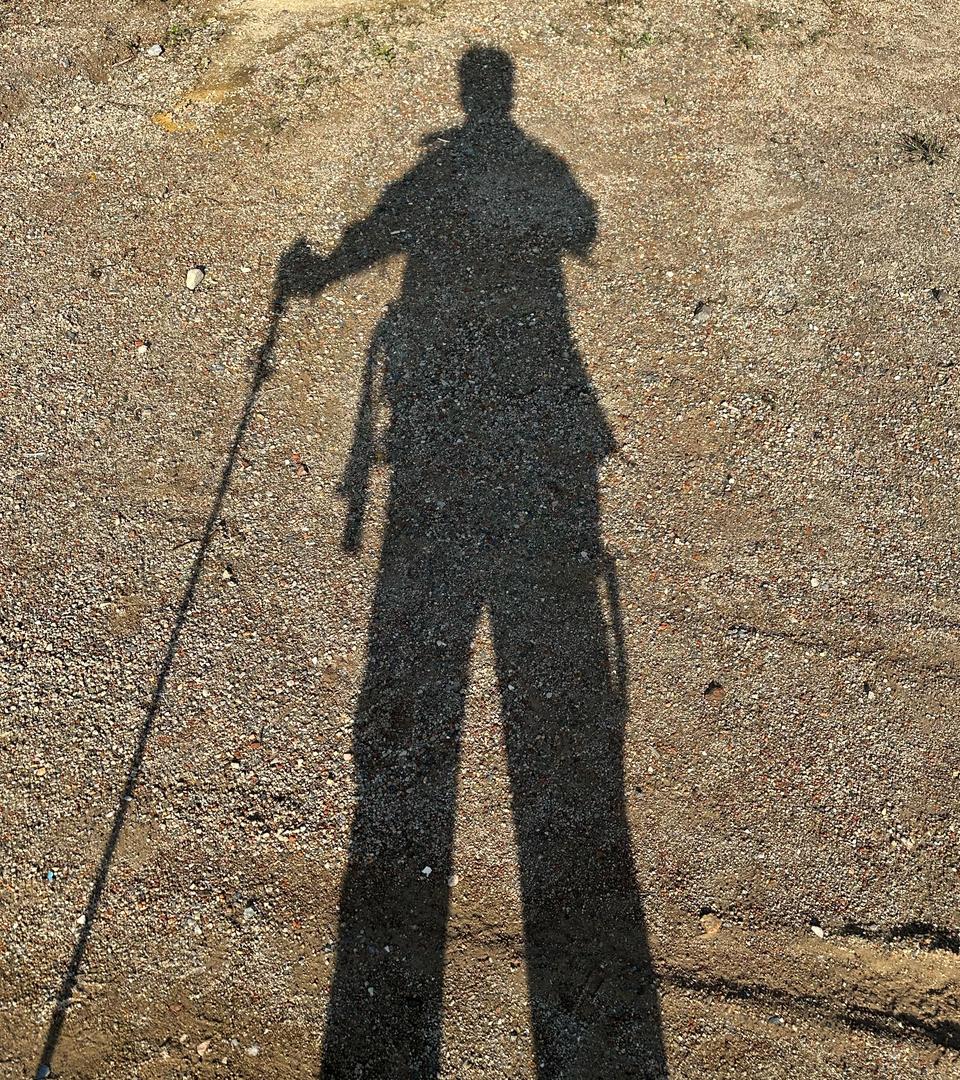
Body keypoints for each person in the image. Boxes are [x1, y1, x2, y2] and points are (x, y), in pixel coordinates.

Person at [279, 46, 667, 1079]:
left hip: (443, 449)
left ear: (470, 99)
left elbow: (381, 234)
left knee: (423, 666)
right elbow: (579, 230)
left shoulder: (445, 171)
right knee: (558, 695)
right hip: (543, 425)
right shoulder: (530, 163)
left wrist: (317, 271)